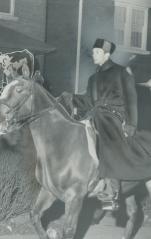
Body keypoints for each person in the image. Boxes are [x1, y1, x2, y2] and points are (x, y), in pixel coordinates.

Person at [68, 38, 138, 210]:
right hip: (96, 115)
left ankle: (110, 192)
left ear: (106, 54)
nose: (93, 54)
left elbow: (131, 100)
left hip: (115, 117)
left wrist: (131, 125)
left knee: (107, 138)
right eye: (93, 52)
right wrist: (71, 98)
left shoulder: (122, 72)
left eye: (97, 52)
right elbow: (88, 102)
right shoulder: (93, 78)